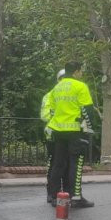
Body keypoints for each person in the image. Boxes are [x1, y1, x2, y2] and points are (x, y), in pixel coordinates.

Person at [45, 61, 95, 208]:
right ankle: (76, 197)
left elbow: (52, 111)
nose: (81, 74)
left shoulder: (56, 88)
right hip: (75, 130)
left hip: (58, 130)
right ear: (76, 71)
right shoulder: (80, 86)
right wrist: (88, 128)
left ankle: (55, 196)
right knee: (76, 164)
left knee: (58, 164)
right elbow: (87, 110)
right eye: (81, 71)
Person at [41, 68, 67, 205]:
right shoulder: (49, 95)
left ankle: (65, 192)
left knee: (66, 165)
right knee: (54, 164)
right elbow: (45, 115)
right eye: (62, 79)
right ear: (58, 80)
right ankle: (51, 193)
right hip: (53, 134)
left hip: (67, 133)